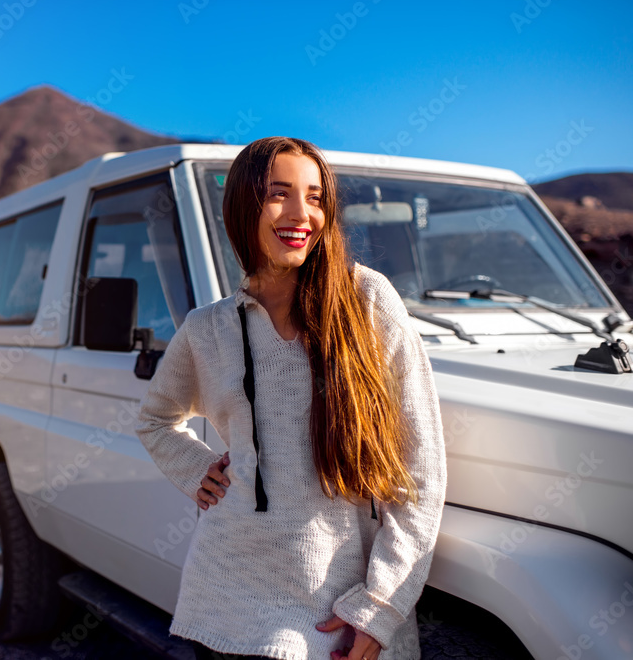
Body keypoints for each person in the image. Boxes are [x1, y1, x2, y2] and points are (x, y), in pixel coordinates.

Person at [134, 137, 447, 660]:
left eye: (317, 197)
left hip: (333, 612)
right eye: (279, 194)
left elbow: (422, 472)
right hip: (223, 600)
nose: (302, 213)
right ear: (243, 206)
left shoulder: (367, 301)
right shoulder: (207, 329)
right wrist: (199, 471)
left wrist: (381, 606)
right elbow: (155, 420)